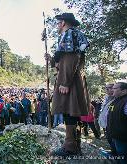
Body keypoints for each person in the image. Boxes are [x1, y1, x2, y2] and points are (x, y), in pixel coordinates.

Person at [43, 13, 90, 156]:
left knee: (69, 111)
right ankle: (75, 145)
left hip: (69, 79)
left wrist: (64, 82)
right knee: (72, 112)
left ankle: (70, 147)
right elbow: (62, 61)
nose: (57, 26)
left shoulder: (69, 34)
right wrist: (51, 59)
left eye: (58, 23)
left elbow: (71, 59)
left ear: (63, 23)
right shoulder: (74, 34)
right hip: (72, 77)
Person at [106, 82, 127, 164]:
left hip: (123, 139)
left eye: (115, 88)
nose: (112, 90)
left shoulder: (126, 102)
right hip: (114, 136)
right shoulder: (115, 101)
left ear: (124, 91)